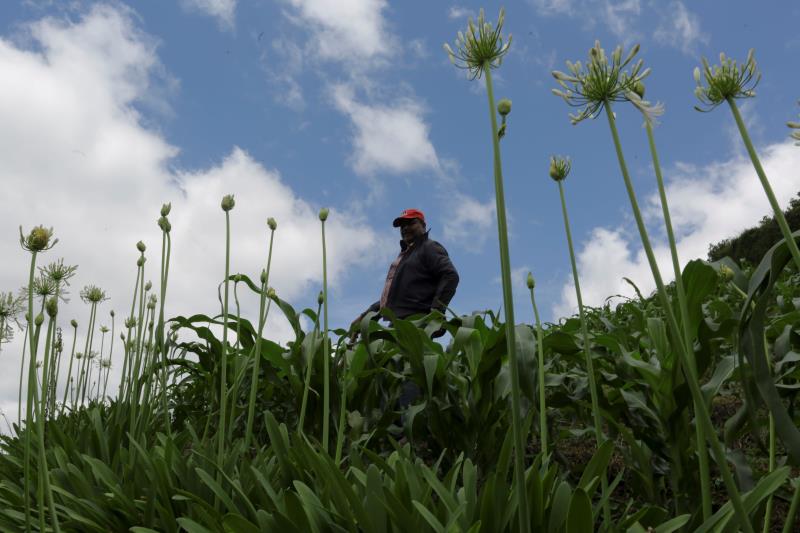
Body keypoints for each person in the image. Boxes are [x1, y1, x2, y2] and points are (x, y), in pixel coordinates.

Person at [350, 208, 459, 338]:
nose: (405, 228)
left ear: (423, 226)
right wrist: (367, 315)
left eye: (411, 223)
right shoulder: (406, 256)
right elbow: (394, 296)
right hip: (399, 324)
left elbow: (450, 275)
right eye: (402, 226)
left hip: (416, 323)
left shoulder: (429, 247)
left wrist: (435, 312)